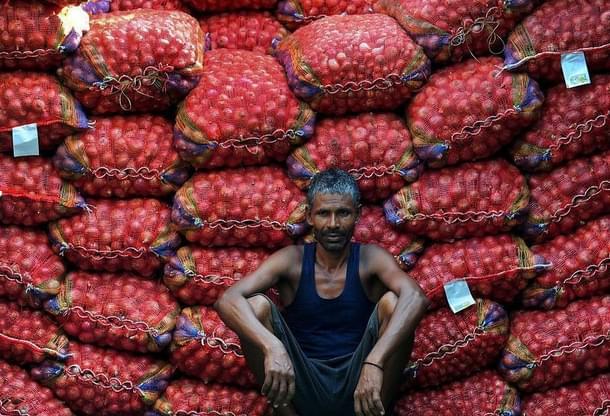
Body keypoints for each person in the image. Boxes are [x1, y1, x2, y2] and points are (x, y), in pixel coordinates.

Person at [215, 168, 429, 416]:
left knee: (394, 303)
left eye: (344, 213)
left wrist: (374, 362)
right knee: (255, 307)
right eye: (324, 214)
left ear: (358, 214)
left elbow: (416, 297)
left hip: (361, 385)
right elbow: (227, 298)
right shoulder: (291, 261)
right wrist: (272, 347)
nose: (334, 224)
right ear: (309, 217)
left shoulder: (371, 259)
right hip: (303, 385)